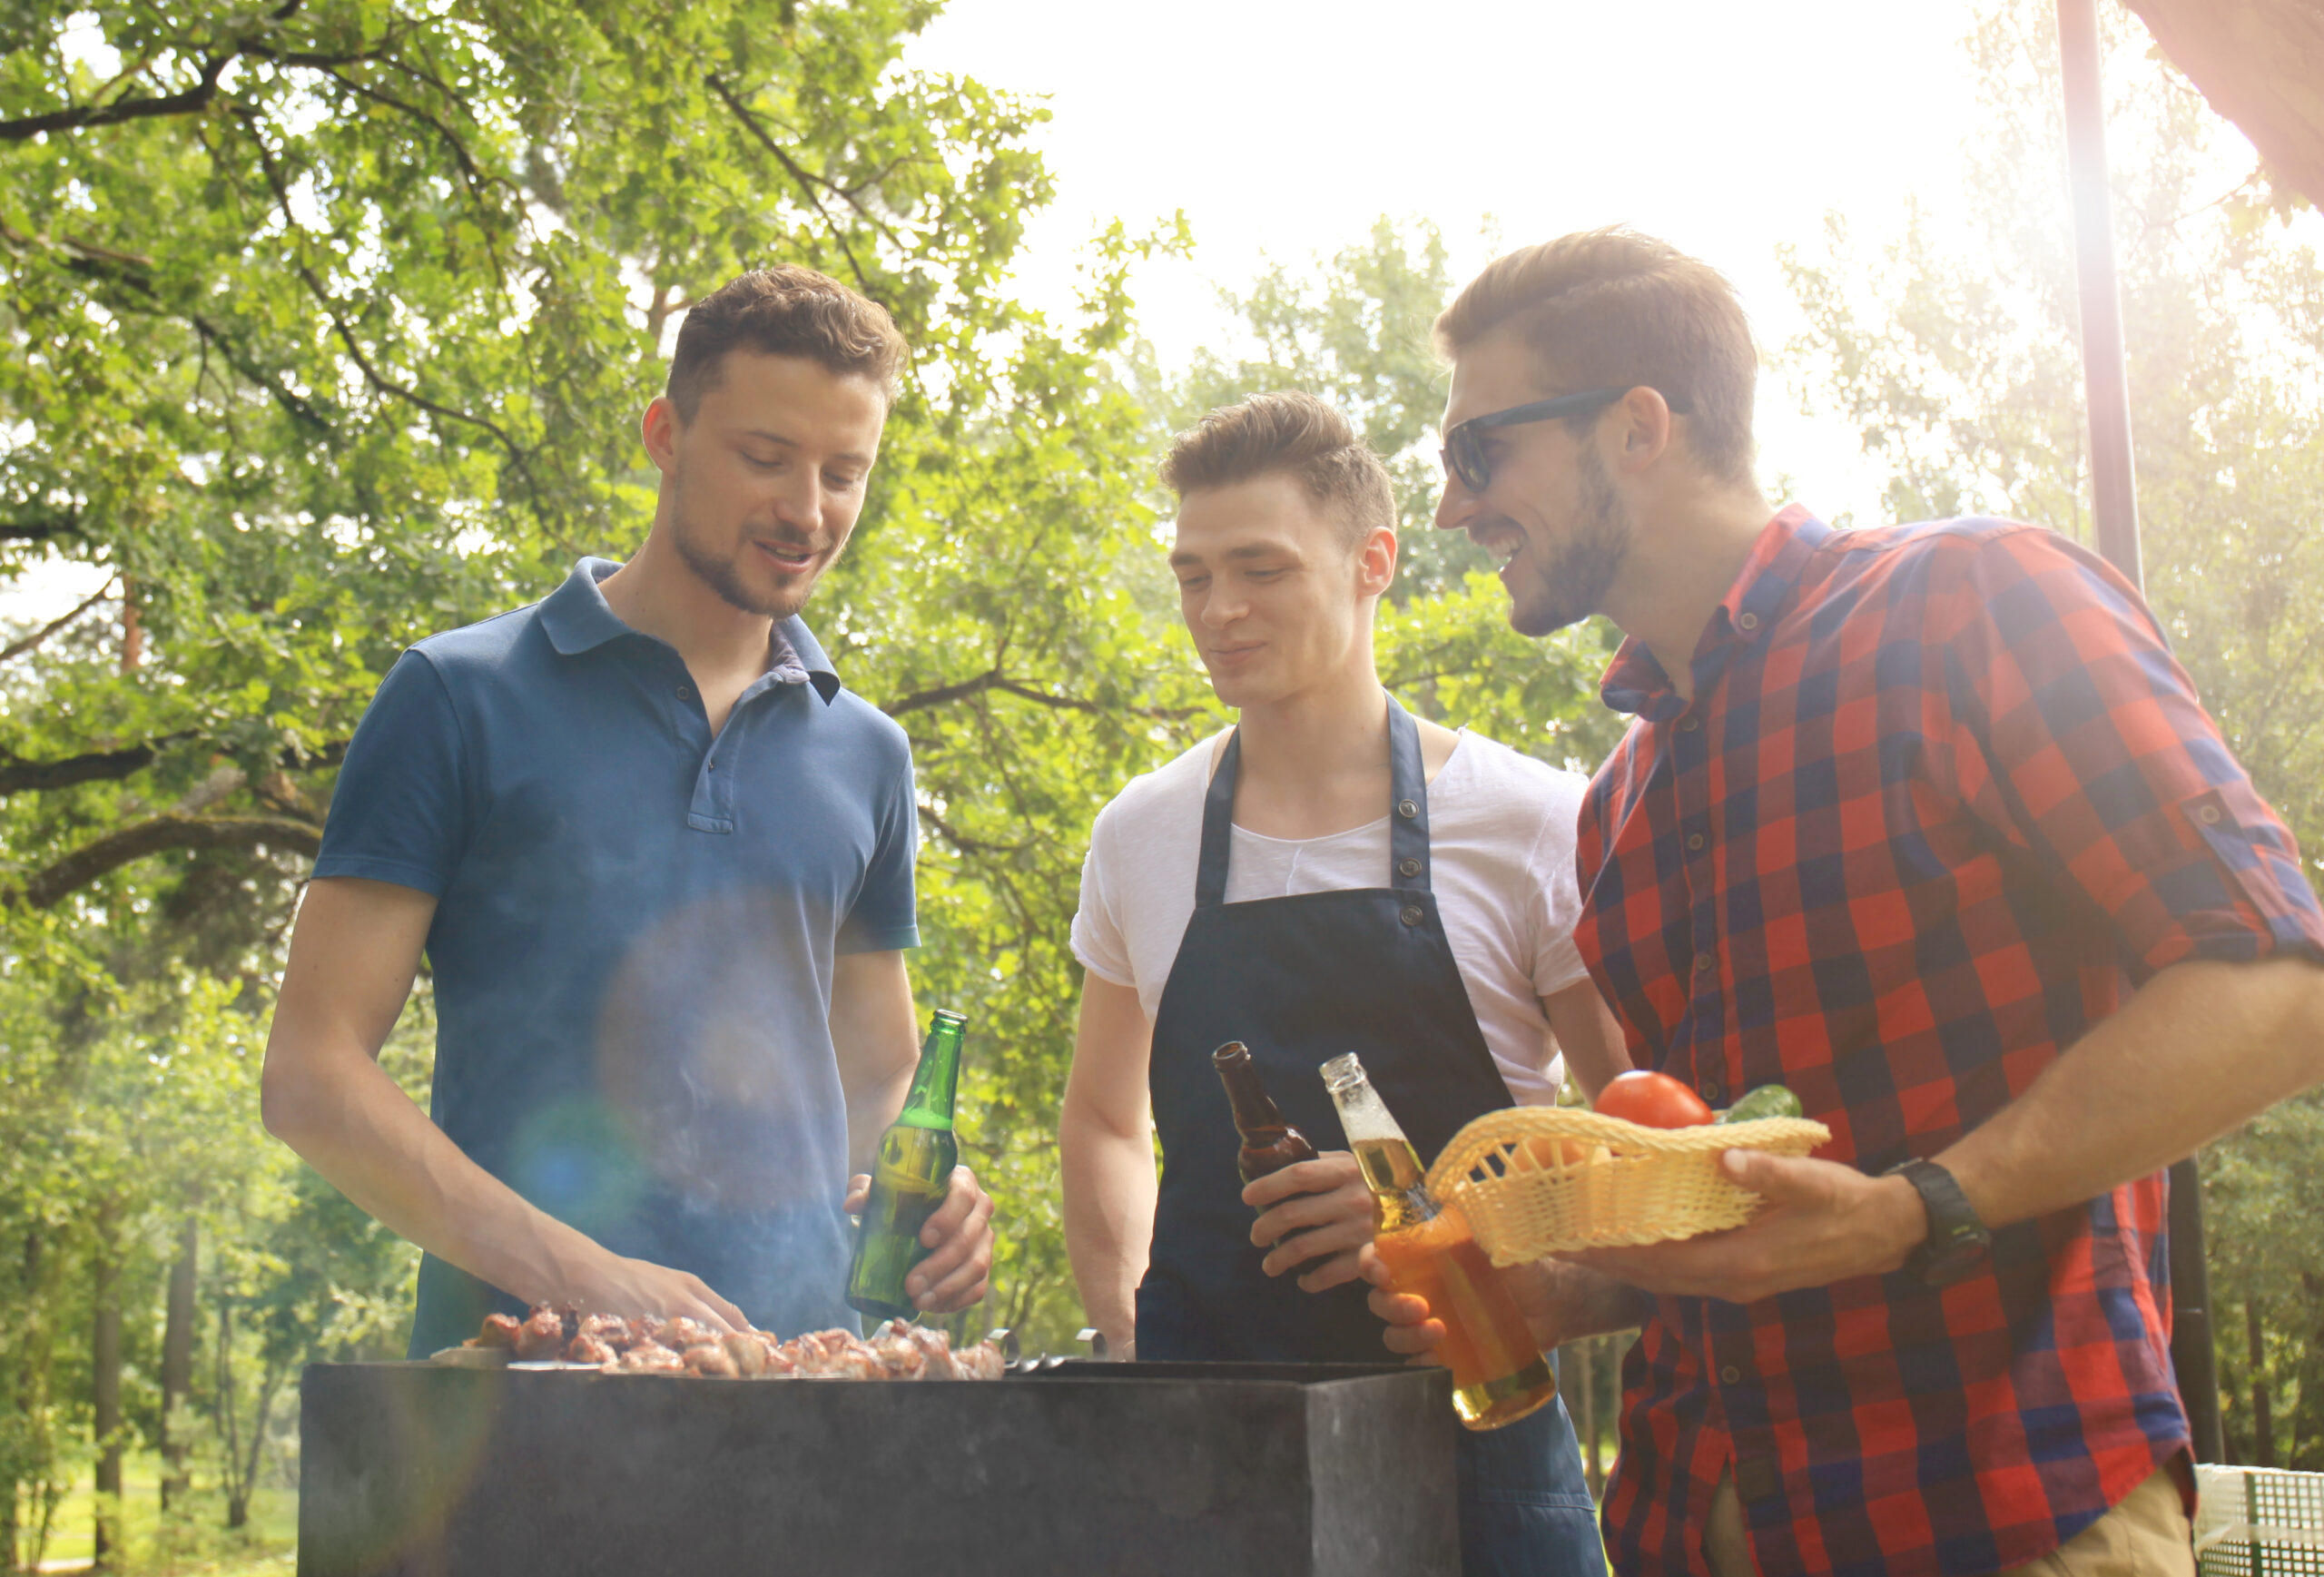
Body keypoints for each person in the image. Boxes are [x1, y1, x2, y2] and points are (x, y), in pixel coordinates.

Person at [1372, 225, 2324, 1577]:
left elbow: (2279, 989)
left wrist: (1917, 1205)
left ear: (1638, 427)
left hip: (2006, 1513)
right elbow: (1732, 1205)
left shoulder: (1977, 599)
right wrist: (1562, 1287)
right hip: (1691, 1522)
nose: (1458, 507)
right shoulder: (1620, 806)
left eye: (1481, 453)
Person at [261, 266, 995, 1356]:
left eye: (846, 473)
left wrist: (937, 1199)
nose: (807, 509)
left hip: (803, 1391)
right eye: (764, 458)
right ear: (664, 434)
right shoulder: (458, 697)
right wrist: (584, 1275)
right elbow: (312, 1077)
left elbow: (877, 1071)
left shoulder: (867, 754)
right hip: (520, 1389)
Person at [1060, 390, 1627, 1575]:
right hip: (1200, 1456)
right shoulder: (1141, 836)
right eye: (1194, 574)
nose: (1219, 611)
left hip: (1475, 1445)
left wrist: (1451, 1221)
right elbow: (1106, 1117)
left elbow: (1649, 1141)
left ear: (1374, 562)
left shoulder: (1532, 824)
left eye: (1260, 569)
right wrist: (1128, 1339)